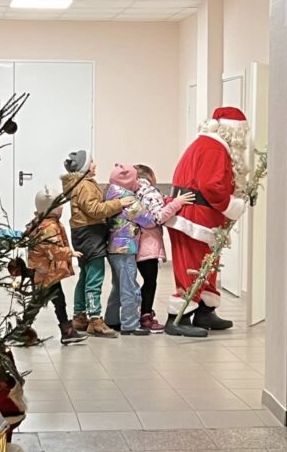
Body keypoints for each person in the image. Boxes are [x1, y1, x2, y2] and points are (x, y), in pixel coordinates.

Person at [164, 106, 250, 337]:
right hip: (195, 217)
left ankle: (204, 311)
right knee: (193, 267)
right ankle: (178, 318)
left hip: (200, 216)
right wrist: (232, 205)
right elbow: (211, 186)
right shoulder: (214, 148)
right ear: (234, 131)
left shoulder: (208, 145)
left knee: (207, 265)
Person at [61, 149, 124, 337]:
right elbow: (95, 209)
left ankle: (79, 315)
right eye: (92, 161)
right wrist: (120, 204)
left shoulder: (79, 184)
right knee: (95, 276)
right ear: (86, 167)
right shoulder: (85, 186)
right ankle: (95, 319)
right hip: (90, 234)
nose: (95, 164)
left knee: (86, 274)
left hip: (82, 233)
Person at [134, 164, 193, 332]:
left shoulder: (136, 190)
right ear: (150, 176)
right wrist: (177, 203)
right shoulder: (150, 192)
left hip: (136, 242)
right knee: (150, 282)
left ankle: (139, 312)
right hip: (148, 244)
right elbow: (158, 217)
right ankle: (145, 316)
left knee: (141, 281)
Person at [28, 187, 87, 345]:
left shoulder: (41, 223)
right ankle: (23, 330)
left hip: (45, 271)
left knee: (50, 301)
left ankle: (65, 330)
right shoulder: (49, 227)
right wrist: (69, 253)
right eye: (59, 205)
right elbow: (52, 249)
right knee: (45, 301)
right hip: (46, 272)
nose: (62, 208)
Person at [103, 163, 157, 336]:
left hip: (113, 247)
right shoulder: (128, 198)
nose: (138, 182)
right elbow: (148, 220)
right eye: (135, 179)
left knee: (118, 286)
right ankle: (130, 323)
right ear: (127, 181)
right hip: (125, 248)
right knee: (129, 287)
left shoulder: (110, 193)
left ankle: (112, 319)